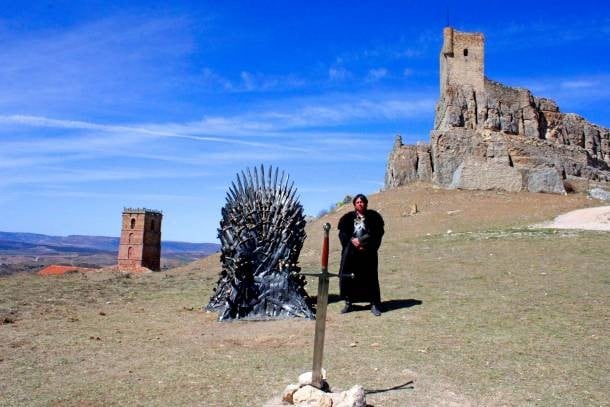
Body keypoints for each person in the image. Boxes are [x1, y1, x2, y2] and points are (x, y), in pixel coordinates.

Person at [337, 194, 385, 316]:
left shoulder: (374, 217)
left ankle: (374, 304)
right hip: (351, 254)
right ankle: (349, 303)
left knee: (370, 278)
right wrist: (352, 241)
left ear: (366, 203)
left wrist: (362, 242)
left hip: (367, 253)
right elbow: (343, 234)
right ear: (354, 204)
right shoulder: (347, 218)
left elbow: (377, 233)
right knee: (349, 278)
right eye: (357, 202)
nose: (360, 204)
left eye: (362, 202)